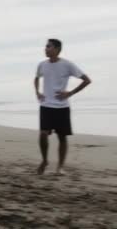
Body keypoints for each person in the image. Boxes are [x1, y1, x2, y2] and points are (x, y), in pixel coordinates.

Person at [35, 39, 91, 175]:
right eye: (46, 46)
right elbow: (36, 78)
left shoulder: (67, 65)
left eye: (48, 46)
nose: (45, 48)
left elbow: (87, 80)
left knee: (62, 137)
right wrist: (38, 92)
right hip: (46, 106)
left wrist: (70, 93)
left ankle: (60, 167)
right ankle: (44, 160)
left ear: (57, 49)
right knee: (43, 134)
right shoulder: (42, 65)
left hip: (62, 107)